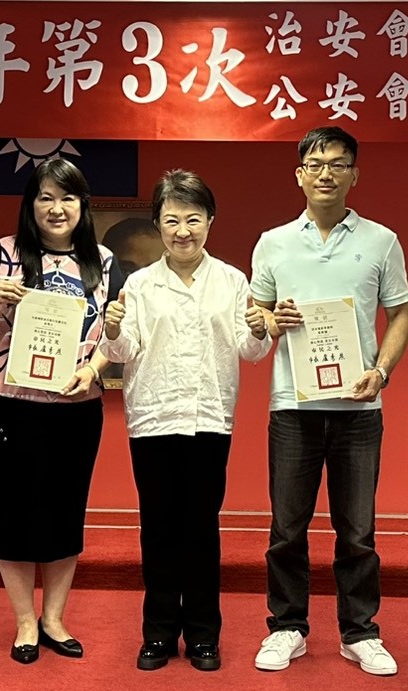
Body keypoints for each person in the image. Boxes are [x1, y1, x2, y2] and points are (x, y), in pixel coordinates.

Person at [249, 126, 408, 675]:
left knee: (358, 530)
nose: (326, 174)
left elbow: (402, 313)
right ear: (299, 174)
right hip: (292, 407)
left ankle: (359, 631)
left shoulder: (381, 240)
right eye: (315, 164)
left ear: (354, 175)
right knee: (287, 528)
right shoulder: (273, 242)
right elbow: (257, 316)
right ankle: (287, 627)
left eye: (338, 164)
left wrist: (381, 371)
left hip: (359, 409)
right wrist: (271, 318)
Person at [100, 170, 271, 672]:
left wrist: (260, 329)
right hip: (153, 418)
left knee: (201, 529)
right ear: (158, 224)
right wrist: (113, 330)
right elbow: (123, 351)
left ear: (210, 221)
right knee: (158, 529)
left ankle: (202, 634)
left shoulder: (232, 280)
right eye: (172, 220)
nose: (182, 231)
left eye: (193, 219)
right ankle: (157, 634)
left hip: (209, 418)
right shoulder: (139, 284)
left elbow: (250, 351)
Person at [0, 157, 121, 664]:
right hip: (10, 407)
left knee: (66, 511)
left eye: (67, 198)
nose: (56, 208)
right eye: (45, 197)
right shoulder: (4, 254)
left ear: (82, 205)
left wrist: (92, 370)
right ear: (30, 204)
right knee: (13, 512)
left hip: (76, 408)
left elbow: (116, 335)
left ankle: (54, 618)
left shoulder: (103, 262)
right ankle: (25, 620)